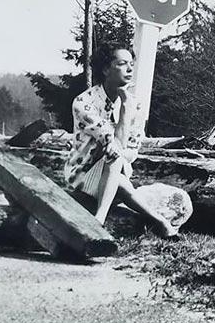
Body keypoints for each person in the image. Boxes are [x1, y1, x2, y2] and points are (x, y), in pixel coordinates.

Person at [64, 42, 178, 238]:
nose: (130, 68)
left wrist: (127, 105)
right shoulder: (84, 102)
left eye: (131, 63)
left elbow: (132, 149)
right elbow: (112, 142)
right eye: (122, 63)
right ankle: (105, 219)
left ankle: (158, 221)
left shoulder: (136, 105)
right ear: (106, 69)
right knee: (114, 156)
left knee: (117, 164)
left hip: (115, 175)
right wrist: (125, 108)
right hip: (82, 176)